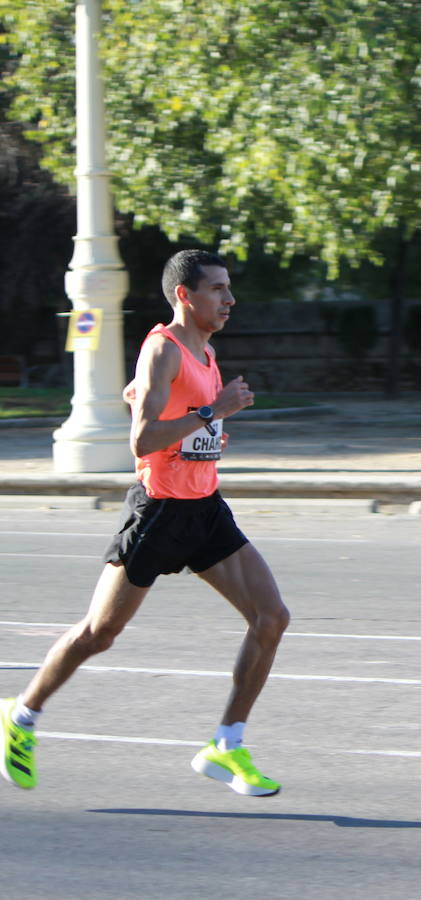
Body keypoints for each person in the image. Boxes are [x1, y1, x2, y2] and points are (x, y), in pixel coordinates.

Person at [1, 249, 290, 798]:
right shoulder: (164, 348)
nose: (229, 299)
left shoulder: (207, 352)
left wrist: (208, 439)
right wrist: (213, 414)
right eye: (217, 289)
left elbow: (180, 429)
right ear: (186, 295)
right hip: (158, 512)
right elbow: (140, 441)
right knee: (99, 633)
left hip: (205, 509)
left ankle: (225, 746)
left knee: (272, 617)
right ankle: (22, 714)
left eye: (229, 289)